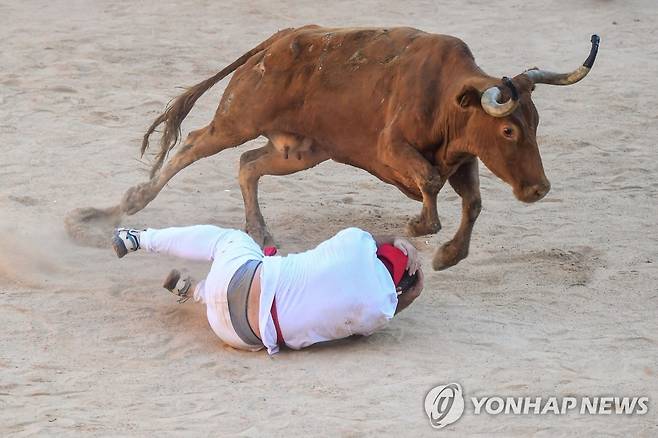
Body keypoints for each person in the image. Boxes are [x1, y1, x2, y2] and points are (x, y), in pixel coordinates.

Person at [112, 225, 424, 354]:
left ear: (379, 253)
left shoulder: (356, 242)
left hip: (236, 278)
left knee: (230, 239)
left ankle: (140, 238)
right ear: (398, 288)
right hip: (237, 335)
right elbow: (384, 314)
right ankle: (195, 291)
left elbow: (376, 238)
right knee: (276, 305)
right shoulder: (380, 311)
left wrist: (397, 239)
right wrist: (410, 294)